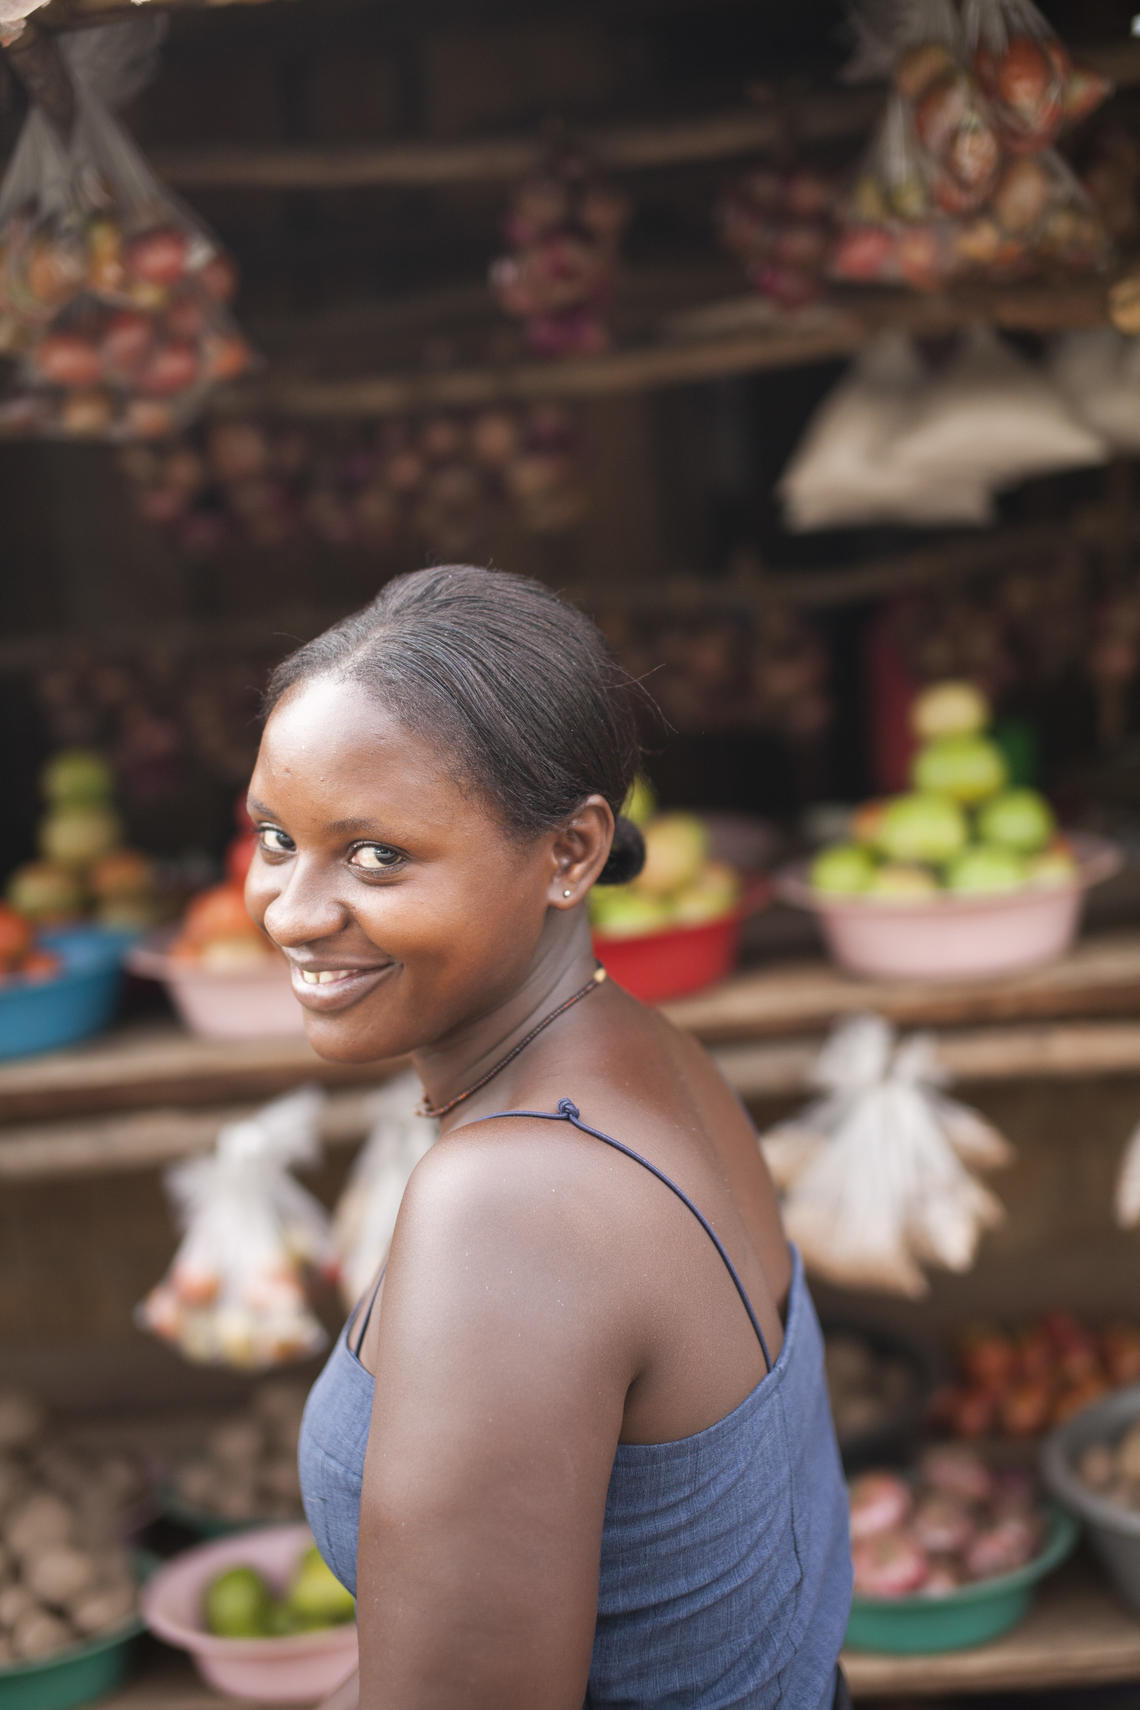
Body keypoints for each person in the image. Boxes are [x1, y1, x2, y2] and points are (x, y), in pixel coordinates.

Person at [245, 564, 853, 1710]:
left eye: (377, 856)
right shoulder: (650, 1053)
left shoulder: (514, 1206)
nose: (291, 910)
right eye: (277, 838)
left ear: (571, 855)